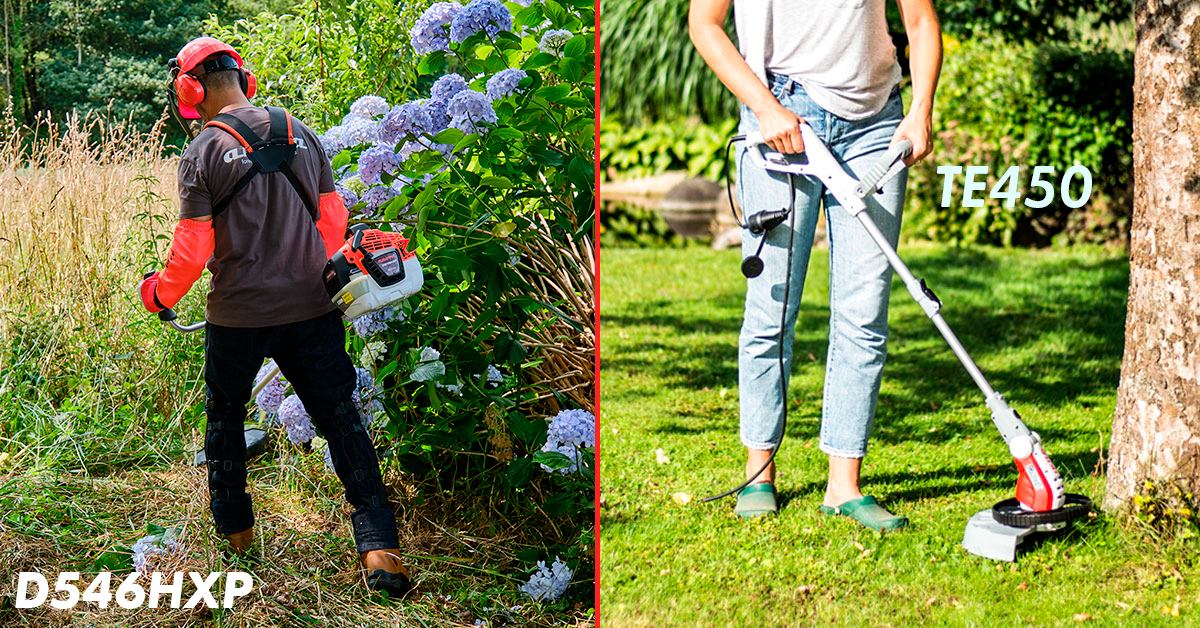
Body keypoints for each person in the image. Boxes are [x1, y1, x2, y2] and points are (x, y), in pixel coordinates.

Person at [138, 36, 412, 596]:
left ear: (190, 89)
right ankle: (381, 552)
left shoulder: (202, 152)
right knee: (341, 418)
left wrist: (159, 295)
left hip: (237, 316)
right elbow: (333, 225)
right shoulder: (301, 133)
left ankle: (238, 544)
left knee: (226, 423)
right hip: (312, 307)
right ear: (244, 77)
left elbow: (191, 251)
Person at [689, 0, 942, 529]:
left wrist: (920, 111)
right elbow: (704, 25)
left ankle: (843, 485)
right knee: (772, 309)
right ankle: (759, 473)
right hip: (782, 117)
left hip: (876, 127)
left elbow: (919, 22)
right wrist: (763, 107)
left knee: (864, 310)